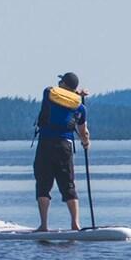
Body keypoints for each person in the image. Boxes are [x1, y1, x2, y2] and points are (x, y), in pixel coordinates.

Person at [33, 72, 91, 231]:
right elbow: (83, 131)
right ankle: (75, 224)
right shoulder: (80, 107)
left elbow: (57, 92)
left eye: (61, 82)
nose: (58, 84)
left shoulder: (48, 94)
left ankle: (44, 225)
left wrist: (76, 93)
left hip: (46, 144)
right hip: (65, 146)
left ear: (64, 84)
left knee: (43, 185)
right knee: (68, 185)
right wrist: (86, 143)